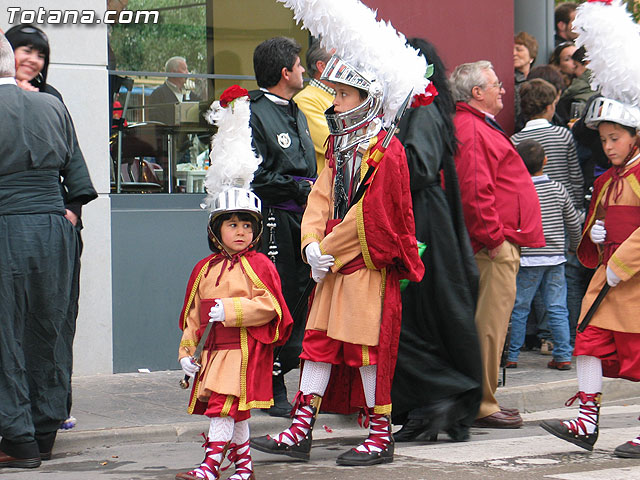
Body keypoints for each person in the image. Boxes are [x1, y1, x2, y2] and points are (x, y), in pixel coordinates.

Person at [251, 0, 427, 466]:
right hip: (332, 263)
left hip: (366, 264)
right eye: (336, 94)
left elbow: (373, 216)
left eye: (345, 95)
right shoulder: (338, 145)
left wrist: (324, 247)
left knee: (369, 351)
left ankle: (380, 436)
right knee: (318, 345)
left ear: (367, 98)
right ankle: (301, 430)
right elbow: (321, 199)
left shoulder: (387, 151)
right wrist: (310, 243)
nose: (336, 102)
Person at [175, 86, 293, 480]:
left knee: (223, 405)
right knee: (232, 407)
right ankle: (243, 466)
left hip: (243, 349)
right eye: (232, 224)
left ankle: (209, 467)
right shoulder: (204, 269)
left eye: (247, 225)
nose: (240, 231)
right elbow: (193, 316)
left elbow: (273, 307)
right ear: (217, 229)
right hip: (214, 352)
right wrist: (186, 353)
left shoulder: (261, 265)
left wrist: (234, 310)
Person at [540, 0, 640, 458]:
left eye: (615, 138)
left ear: (635, 136)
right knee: (588, 341)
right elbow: (599, 217)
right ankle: (586, 419)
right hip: (609, 275)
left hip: (633, 279)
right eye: (603, 139)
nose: (608, 146)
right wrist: (595, 236)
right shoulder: (607, 178)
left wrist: (621, 262)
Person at [0, 32, 96, 468]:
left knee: (11, 332)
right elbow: (76, 167)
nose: (35, 60)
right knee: (49, 326)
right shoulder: (52, 103)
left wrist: (68, 211)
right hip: (51, 231)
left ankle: (19, 438)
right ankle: (42, 432)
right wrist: (65, 215)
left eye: (42, 53)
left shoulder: (46, 100)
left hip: (15, 225)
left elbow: (75, 172)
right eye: (27, 51)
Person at [391, 38, 482, 443]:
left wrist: (375, 151)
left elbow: (419, 166)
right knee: (411, 317)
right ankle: (423, 406)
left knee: (411, 317)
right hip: (415, 219)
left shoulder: (422, 103)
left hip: (423, 224)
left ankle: (443, 393)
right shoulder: (410, 104)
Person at [450, 60, 545, 429]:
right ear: (477, 93)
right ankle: (483, 403)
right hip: (491, 246)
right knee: (490, 326)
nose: (503, 90)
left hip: (492, 242)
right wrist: (494, 239)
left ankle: (483, 398)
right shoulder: (473, 129)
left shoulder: (476, 126)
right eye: (495, 85)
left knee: (490, 325)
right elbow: (476, 191)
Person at [248, 37, 317, 417]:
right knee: (279, 298)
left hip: (303, 219)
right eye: (299, 64)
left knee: (305, 297)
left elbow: (308, 166)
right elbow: (255, 175)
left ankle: (289, 374)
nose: (304, 70)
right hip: (274, 217)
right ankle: (273, 384)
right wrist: (299, 187)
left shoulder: (299, 111)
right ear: (285, 72)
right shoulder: (252, 112)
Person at [506, 139, 582, 370]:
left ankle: (512, 355)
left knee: (520, 307)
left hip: (528, 257)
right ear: (545, 161)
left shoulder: (519, 189)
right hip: (556, 257)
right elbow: (573, 223)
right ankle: (563, 355)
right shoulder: (559, 189)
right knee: (557, 306)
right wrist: (575, 245)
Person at [512, 78, 584, 210]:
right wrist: (578, 207)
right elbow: (575, 176)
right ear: (549, 107)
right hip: (564, 206)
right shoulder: (563, 134)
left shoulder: (515, 140)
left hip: (531, 206)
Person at [293, 37, 335, 174]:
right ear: (321, 66)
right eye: (339, 61)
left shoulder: (340, 96)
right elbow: (333, 145)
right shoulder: (305, 100)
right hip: (323, 188)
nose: (346, 67)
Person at [148, 56, 200, 126]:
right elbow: (156, 123)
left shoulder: (189, 94)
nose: (188, 73)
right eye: (184, 69)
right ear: (173, 72)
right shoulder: (158, 94)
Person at [514, 31, 539, 132]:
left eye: (519, 49)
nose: (514, 53)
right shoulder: (507, 81)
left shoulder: (538, 79)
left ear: (531, 56)